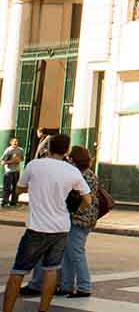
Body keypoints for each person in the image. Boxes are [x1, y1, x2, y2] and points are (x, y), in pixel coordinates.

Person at [3, 134, 90, 312]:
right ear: (66, 150)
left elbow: (19, 189)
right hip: (60, 228)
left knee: (18, 270)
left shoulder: (34, 165)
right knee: (52, 270)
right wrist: (76, 210)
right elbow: (87, 199)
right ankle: (43, 309)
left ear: (48, 147)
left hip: (36, 227)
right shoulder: (72, 171)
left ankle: (7, 309)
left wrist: (31, 188)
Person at [23, 146, 98, 299]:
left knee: (75, 253)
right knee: (68, 254)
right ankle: (65, 285)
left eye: (70, 157)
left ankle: (84, 286)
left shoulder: (74, 173)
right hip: (84, 219)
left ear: (72, 159)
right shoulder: (89, 173)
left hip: (76, 218)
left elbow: (79, 198)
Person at [1, 139, 22, 207]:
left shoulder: (20, 150)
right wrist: (12, 161)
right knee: (7, 187)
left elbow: (22, 158)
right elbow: (2, 162)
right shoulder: (8, 150)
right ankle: (5, 202)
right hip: (9, 172)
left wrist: (19, 160)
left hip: (17, 171)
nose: (16, 142)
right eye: (14, 141)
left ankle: (14, 202)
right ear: (11, 143)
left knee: (15, 188)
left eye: (17, 141)